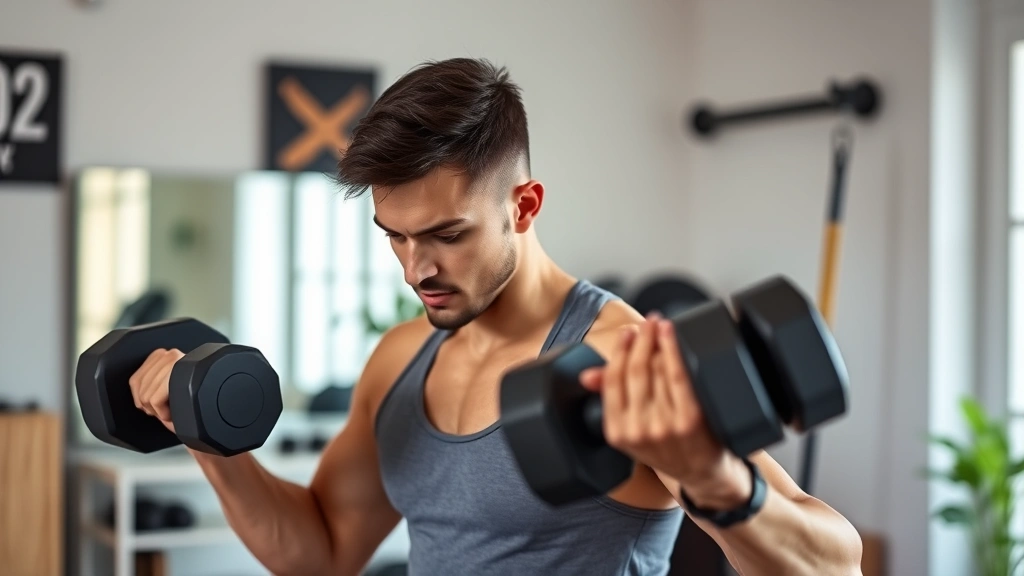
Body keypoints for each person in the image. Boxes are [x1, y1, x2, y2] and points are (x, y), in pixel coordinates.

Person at [129, 57, 863, 576]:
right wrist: (206, 439)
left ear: (524, 206)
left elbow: (835, 565)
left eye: (448, 235)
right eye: (396, 236)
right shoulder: (399, 359)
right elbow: (321, 552)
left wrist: (714, 478)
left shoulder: (622, 357)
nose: (418, 268)